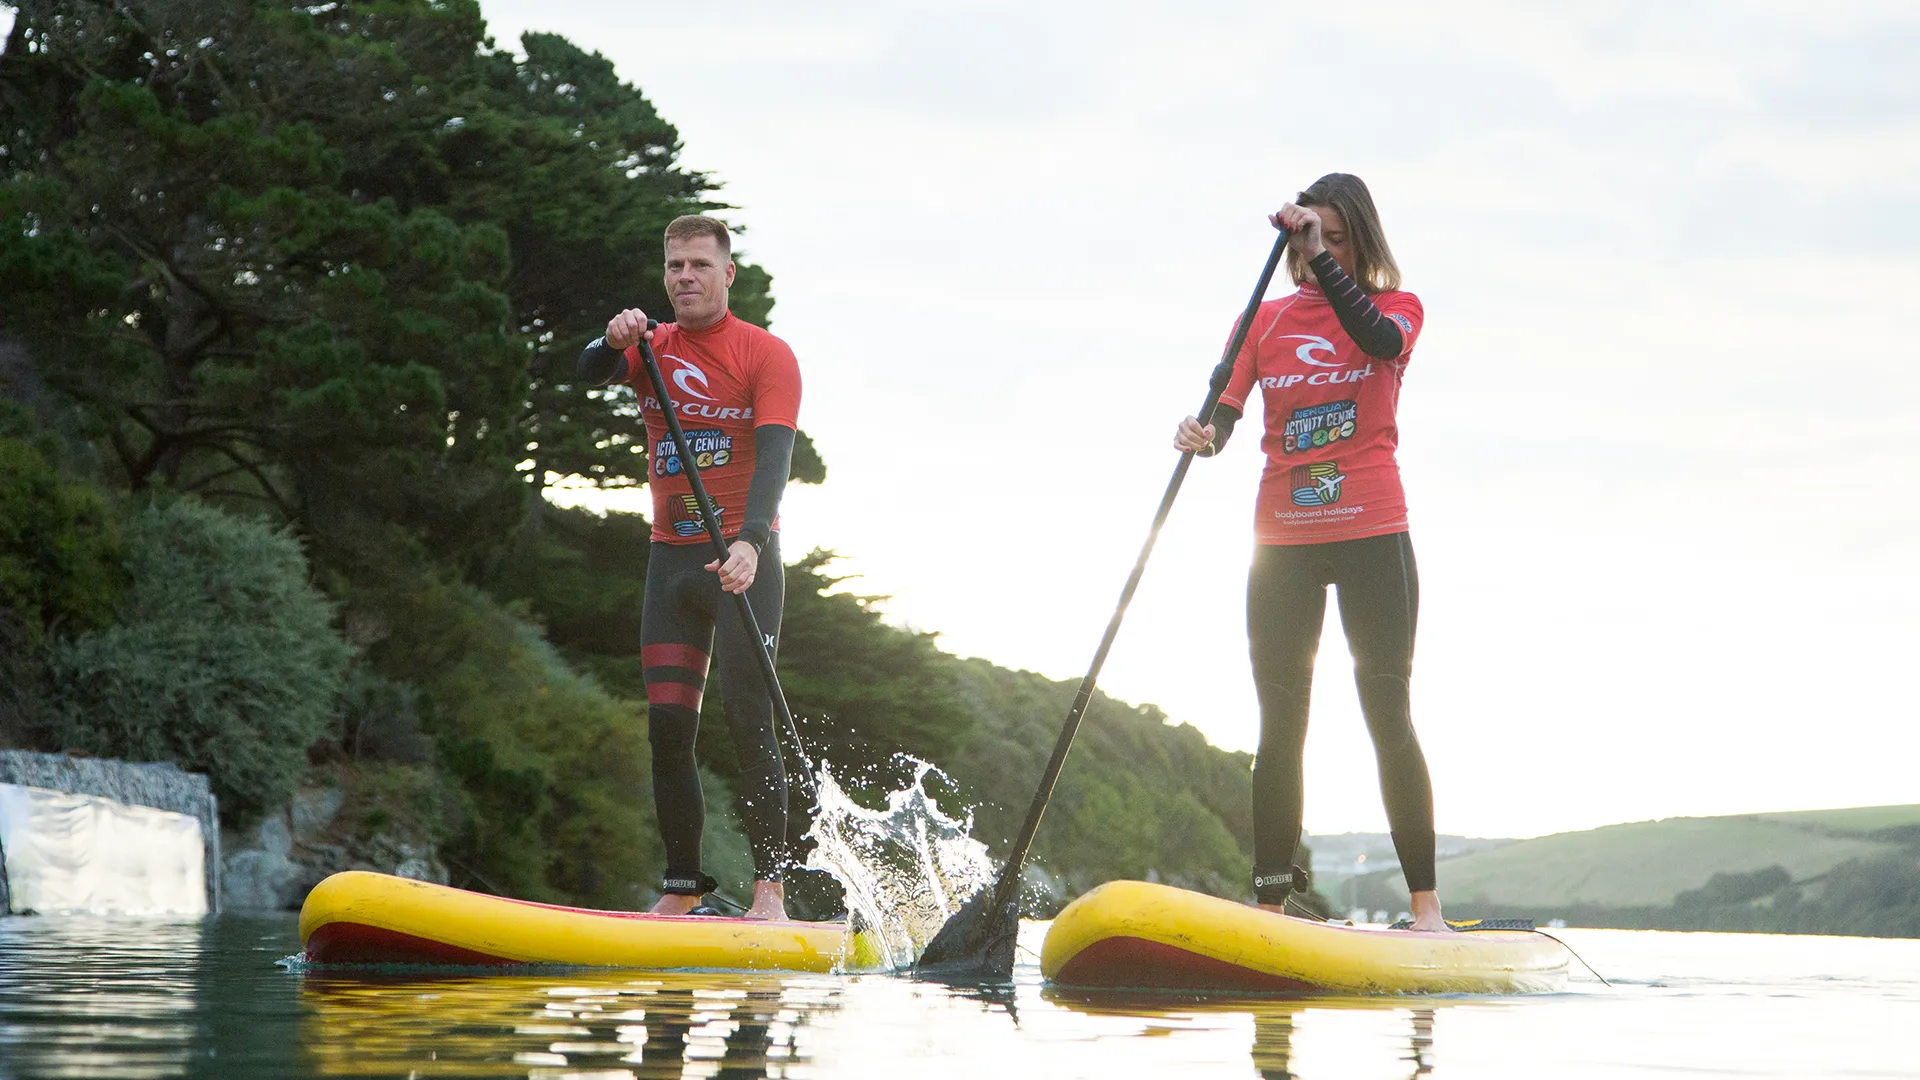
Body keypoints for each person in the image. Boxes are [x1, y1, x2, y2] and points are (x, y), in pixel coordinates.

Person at [1173, 173, 1451, 932]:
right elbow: (1223, 420)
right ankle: (1270, 902)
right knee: (1280, 723)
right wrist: (1201, 434)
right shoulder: (1261, 320)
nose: (1320, 249)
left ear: (1360, 239)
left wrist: (1320, 256)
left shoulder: (1398, 308)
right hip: (1282, 542)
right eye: (1310, 236)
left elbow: (1378, 342)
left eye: (1336, 237)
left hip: (1372, 532)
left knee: (1386, 710)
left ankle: (1426, 908)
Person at [577, 214, 802, 920]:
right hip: (669, 562)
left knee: (748, 719)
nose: (686, 277)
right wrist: (609, 340)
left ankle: (770, 893)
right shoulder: (649, 346)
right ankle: (682, 887)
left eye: (700, 265)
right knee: (668, 730)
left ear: (727, 274)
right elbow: (588, 371)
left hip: (741, 563)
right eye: (675, 266)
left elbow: (776, 457)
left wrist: (752, 542)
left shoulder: (765, 353)